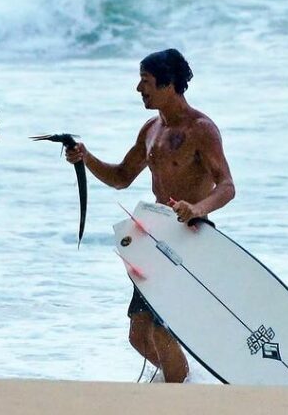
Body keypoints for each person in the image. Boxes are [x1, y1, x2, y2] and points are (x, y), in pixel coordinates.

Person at [64, 48, 236, 383]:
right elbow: (121, 177)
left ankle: (177, 395)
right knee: (138, 334)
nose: (138, 88)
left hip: (189, 237)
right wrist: (86, 157)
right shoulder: (151, 129)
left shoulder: (201, 129)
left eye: (145, 81)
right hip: (157, 238)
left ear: (169, 84)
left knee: (160, 328)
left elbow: (227, 185)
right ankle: (184, 384)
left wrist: (196, 209)